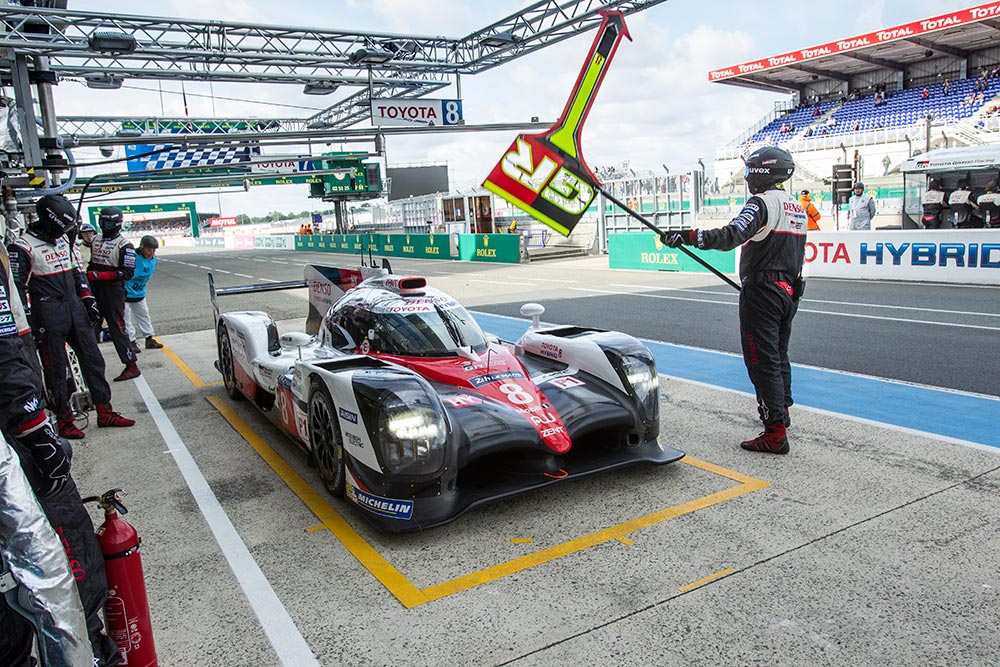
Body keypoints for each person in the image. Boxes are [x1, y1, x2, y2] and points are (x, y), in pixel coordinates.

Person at [663, 146, 806, 455]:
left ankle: (775, 433)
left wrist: (687, 237)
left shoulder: (761, 203)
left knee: (761, 360)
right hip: (789, 290)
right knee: (779, 356)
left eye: (750, 171)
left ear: (760, 173)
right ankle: (782, 413)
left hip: (763, 291)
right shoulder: (796, 206)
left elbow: (731, 235)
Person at [8, 194, 135, 438]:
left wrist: (87, 299)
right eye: (61, 227)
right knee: (56, 369)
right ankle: (65, 420)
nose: (63, 232)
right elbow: (18, 288)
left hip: (74, 305)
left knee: (94, 360)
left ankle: (104, 411)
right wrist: (27, 322)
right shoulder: (22, 247)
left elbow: (77, 272)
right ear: (48, 220)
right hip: (47, 311)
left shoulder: (64, 240)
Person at [88, 207, 139, 381]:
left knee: (117, 329)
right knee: (89, 328)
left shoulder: (125, 245)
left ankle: (131, 365)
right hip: (94, 290)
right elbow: (91, 264)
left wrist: (101, 275)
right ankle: (90, 367)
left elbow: (127, 273)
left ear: (117, 224)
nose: (105, 226)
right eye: (103, 222)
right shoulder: (95, 240)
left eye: (109, 223)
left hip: (113, 291)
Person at [124, 235, 164, 354]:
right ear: (142, 247)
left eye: (153, 250)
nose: (151, 253)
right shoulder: (132, 257)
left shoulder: (153, 259)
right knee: (126, 318)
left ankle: (149, 338)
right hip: (125, 292)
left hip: (139, 292)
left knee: (144, 315)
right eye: (148, 250)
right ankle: (131, 341)